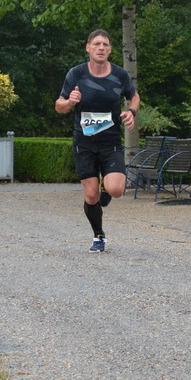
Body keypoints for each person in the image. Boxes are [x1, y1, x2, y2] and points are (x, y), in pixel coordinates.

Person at [55, 29, 139, 253]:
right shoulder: (76, 74)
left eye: (105, 44)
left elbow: (134, 95)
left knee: (116, 190)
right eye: (97, 44)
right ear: (88, 48)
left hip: (110, 141)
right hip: (84, 143)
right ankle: (99, 235)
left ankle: (105, 186)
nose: (101, 48)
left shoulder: (120, 75)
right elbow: (59, 106)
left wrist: (132, 111)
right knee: (91, 195)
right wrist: (70, 102)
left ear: (110, 50)